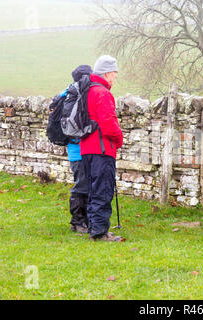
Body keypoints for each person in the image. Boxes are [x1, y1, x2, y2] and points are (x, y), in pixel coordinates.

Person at [80, 55, 124, 242]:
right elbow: (108, 123)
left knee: (92, 189)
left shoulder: (86, 91)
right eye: (114, 73)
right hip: (102, 149)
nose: (115, 77)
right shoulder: (102, 93)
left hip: (86, 149)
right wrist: (119, 139)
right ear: (106, 73)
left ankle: (94, 227)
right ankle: (99, 232)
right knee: (103, 189)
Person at [60, 65, 92, 233]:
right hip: (80, 149)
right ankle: (78, 222)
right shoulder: (80, 93)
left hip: (73, 149)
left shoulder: (67, 92)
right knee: (82, 185)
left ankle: (83, 220)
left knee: (83, 183)